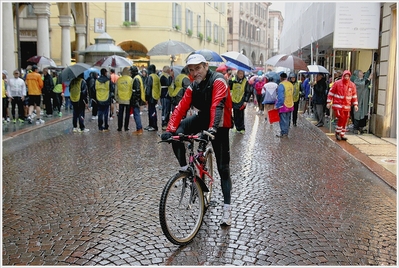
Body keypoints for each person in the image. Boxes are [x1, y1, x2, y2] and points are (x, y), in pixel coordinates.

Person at [160, 54, 233, 226]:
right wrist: (169, 130)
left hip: (220, 122)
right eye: (191, 70)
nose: (195, 73)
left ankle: (227, 209)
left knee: (223, 168)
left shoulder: (218, 80)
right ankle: (186, 170)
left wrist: (212, 129)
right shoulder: (193, 86)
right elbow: (181, 108)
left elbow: (217, 105)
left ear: (206, 66)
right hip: (203, 117)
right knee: (178, 133)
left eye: (198, 68)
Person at [326, 70, 358, 141]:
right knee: (341, 118)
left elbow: (354, 95)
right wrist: (329, 102)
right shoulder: (337, 83)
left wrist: (355, 104)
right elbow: (331, 93)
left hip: (347, 106)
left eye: (348, 76)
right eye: (345, 76)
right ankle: (338, 132)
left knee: (345, 119)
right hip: (338, 105)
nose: (346, 77)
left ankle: (342, 133)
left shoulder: (352, 85)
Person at [229, 69, 251, 134]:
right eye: (240, 73)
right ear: (237, 74)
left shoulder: (245, 81)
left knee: (241, 115)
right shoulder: (233, 79)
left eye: (242, 73)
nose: (241, 75)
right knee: (235, 114)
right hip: (234, 99)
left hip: (242, 100)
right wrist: (230, 79)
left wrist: (246, 101)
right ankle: (236, 127)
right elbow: (229, 87)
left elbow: (248, 92)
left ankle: (241, 128)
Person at [352, 68, 373, 134]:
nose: (362, 73)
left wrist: (371, 67)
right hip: (358, 99)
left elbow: (367, 73)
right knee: (357, 113)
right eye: (361, 72)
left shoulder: (364, 78)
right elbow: (363, 84)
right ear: (358, 74)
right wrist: (369, 78)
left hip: (364, 100)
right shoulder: (356, 81)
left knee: (364, 113)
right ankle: (356, 127)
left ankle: (361, 127)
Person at [275, 72, 294, 138]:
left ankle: (283, 133)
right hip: (290, 104)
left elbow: (280, 97)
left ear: (281, 77)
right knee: (287, 119)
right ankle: (286, 132)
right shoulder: (290, 84)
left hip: (283, 105)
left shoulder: (281, 85)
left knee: (283, 120)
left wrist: (277, 105)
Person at [115, 66, 133, 131]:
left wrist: (116, 98)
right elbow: (132, 89)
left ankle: (119, 127)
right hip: (128, 99)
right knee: (127, 114)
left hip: (120, 99)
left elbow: (116, 90)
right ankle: (126, 127)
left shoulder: (119, 79)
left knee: (120, 114)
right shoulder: (130, 79)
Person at [144, 64, 160, 131]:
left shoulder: (150, 77)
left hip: (151, 96)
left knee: (151, 111)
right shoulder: (156, 76)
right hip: (155, 95)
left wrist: (146, 96)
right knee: (152, 110)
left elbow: (148, 87)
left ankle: (153, 125)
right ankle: (151, 125)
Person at [130, 66, 144, 135]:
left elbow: (136, 91)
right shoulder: (137, 77)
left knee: (136, 114)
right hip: (137, 100)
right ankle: (139, 128)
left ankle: (139, 129)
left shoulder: (136, 79)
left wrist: (135, 100)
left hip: (136, 100)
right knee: (136, 114)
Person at [160, 66, 173, 130]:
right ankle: (164, 123)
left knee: (167, 110)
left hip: (167, 95)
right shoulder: (163, 76)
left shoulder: (165, 76)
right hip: (164, 95)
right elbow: (168, 83)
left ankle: (166, 122)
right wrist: (170, 76)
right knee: (165, 110)